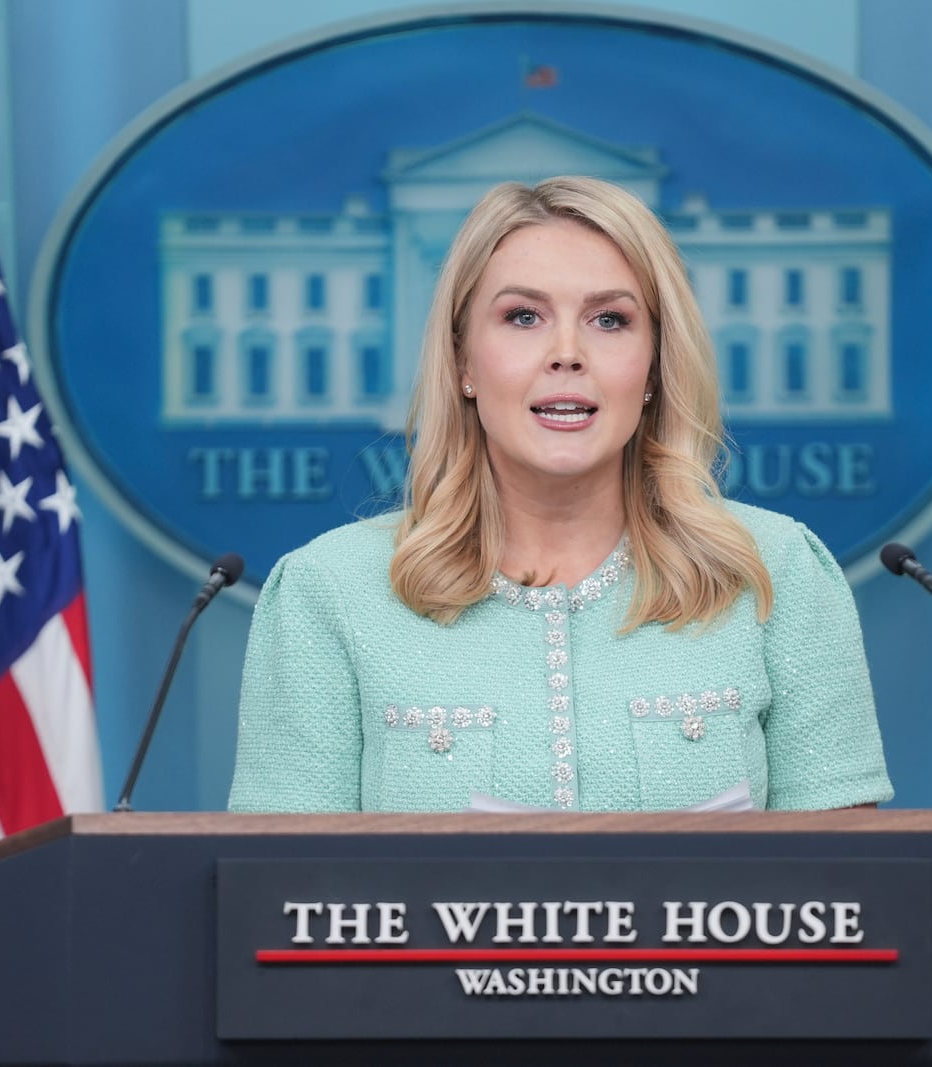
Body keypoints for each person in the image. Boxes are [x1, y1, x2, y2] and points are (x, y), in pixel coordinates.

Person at [229, 176, 892, 813]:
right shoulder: (327, 591)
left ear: (656, 361)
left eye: (609, 320)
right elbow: (280, 902)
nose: (567, 352)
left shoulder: (777, 571)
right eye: (522, 316)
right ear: (462, 360)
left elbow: (849, 898)